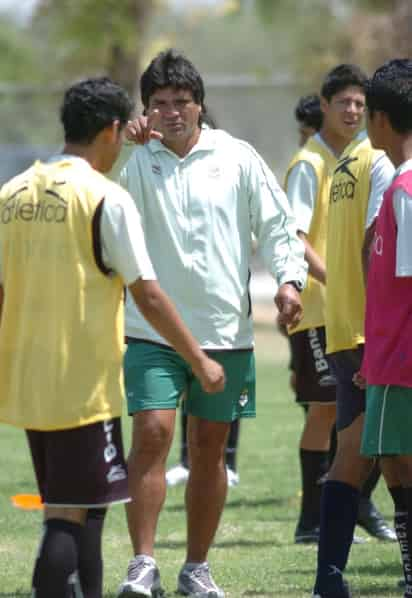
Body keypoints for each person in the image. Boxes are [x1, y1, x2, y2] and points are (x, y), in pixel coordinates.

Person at [0, 76, 226, 598]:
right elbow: (147, 294)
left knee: (79, 505)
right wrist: (199, 360)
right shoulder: (103, 198)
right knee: (64, 517)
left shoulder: (12, 194)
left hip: (28, 382)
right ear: (113, 129)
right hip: (81, 384)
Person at [114, 49, 307, 598]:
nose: (171, 113)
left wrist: (290, 281)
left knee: (208, 448)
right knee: (152, 433)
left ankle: (196, 568)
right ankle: (142, 563)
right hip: (151, 332)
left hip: (226, 332)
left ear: (200, 105)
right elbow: (97, 201)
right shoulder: (135, 161)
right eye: (158, 105)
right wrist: (120, 150)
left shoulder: (238, 157)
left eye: (181, 102)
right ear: (145, 111)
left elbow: (276, 224)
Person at [311, 67, 398, 596]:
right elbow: (373, 246)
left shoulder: (347, 161)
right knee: (393, 458)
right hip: (374, 337)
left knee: (356, 453)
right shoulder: (384, 166)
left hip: (347, 330)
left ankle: (329, 578)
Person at [360, 58, 412, 598]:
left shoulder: (406, 190)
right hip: (387, 360)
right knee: (394, 466)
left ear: (379, 118)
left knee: (400, 465)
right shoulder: (397, 187)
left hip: (403, 362)